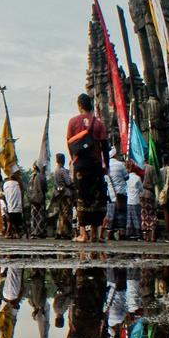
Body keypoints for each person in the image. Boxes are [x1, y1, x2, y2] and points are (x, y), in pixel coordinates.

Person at [66, 93, 109, 243]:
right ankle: (95, 235)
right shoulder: (99, 123)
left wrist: (74, 160)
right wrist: (106, 165)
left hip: (80, 165)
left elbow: (69, 144)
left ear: (79, 106)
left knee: (82, 198)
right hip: (95, 164)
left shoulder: (73, 122)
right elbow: (105, 146)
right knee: (97, 198)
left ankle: (83, 234)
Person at [105, 147, 128, 241]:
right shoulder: (121, 165)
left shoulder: (106, 166)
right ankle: (122, 233)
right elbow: (126, 177)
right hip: (121, 194)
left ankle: (110, 233)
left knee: (110, 214)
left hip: (110, 194)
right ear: (115, 155)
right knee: (121, 214)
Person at [50, 153, 75, 239]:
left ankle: (59, 231)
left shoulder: (56, 170)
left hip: (58, 194)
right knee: (67, 213)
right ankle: (66, 232)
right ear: (62, 160)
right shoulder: (63, 171)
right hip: (66, 194)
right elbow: (69, 182)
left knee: (61, 214)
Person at [28, 162, 48, 238]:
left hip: (32, 199)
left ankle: (34, 232)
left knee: (34, 216)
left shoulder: (31, 176)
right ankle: (39, 232)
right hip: (40, 199)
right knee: (40, 216)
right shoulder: (41, 176)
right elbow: (45, 188)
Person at [140, 159, 158, 242]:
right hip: (150, 193)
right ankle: (153, 236)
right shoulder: (151, 168)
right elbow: (155, 182)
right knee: (152, 214)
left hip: (141, 193)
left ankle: (146, 236)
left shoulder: (140, 167)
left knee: (144, 215)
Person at [125, 161, 143, 240]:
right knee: (136, 217)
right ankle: (138, 233)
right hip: (136, 200)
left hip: (129, 200)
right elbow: (141, 189)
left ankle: (129, 233)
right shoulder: (137, 178)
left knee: (129, 217)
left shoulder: (127, 178)